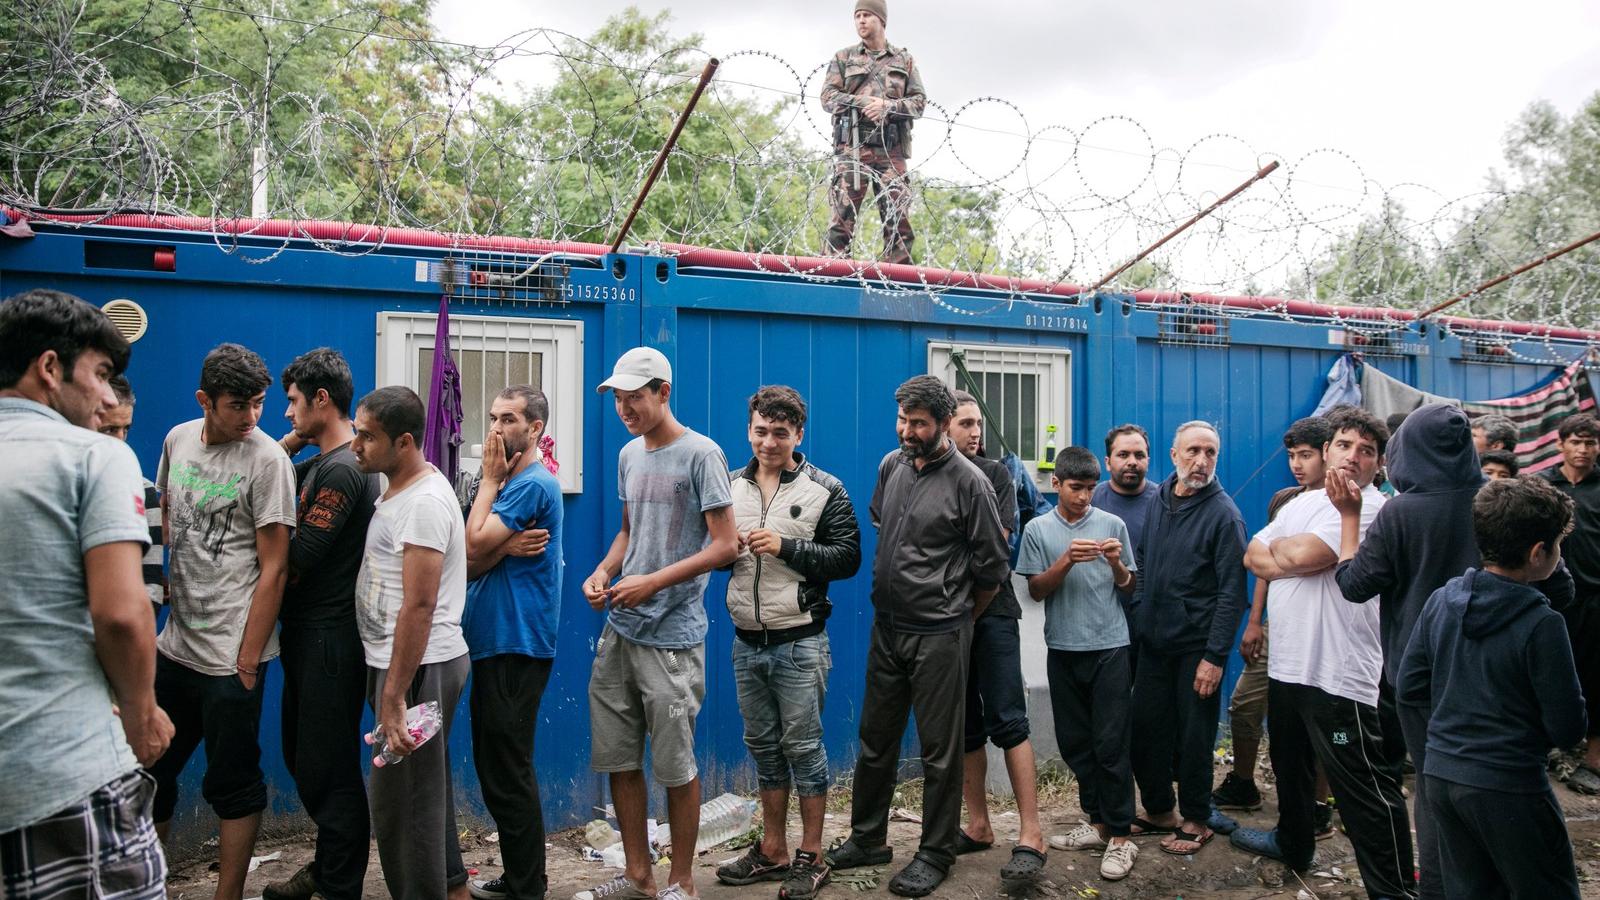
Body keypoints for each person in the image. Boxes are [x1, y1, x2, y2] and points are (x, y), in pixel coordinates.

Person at [1335, 402, 1574, 900]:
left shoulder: (1401, 514)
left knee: (1438, 795)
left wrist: (1350, 523)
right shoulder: (1500, 502)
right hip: (1508, 680)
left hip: (1422, 681)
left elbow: (1355, 585)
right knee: (1513, 806)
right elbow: (1562, 590)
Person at [0, 289, 174, 900]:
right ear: (49, 369)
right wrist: (141, 715)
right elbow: (122, 614)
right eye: (100, 375)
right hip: (64, 778)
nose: (108, 398)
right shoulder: (95, 458)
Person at [826, 375, 1009, 898]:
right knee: (876, 740)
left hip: (940, 636)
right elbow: (886, 524)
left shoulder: (971, 483)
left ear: (945, 423)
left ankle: (935, 853)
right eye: (903, 420)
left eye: (918, 423)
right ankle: (868, 840)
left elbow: (992, 571)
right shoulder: (892, 465)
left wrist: (957, 616)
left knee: (940, 752)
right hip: (888, 630)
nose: (907, 430)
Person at [1232, 409, 1417, 900]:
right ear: (1328, 449)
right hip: (1289, 664)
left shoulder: (1374, 510)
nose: (1352, 457)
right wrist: (1287, 556)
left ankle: (1394, 888)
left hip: (1338, 674)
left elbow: (1298, 557)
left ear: (1379, 464)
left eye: (1366, 451)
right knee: (1290, 765)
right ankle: (1293, 845)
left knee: (1363, 787)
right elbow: (1254, 554)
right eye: (1343, 445)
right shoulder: (1301, 502)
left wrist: (1286, 557)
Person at [578, 347, 738, 900]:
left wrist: (655, 582)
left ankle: (682, 881)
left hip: (673, 634)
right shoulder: (628, 455)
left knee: (675, 764)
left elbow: (725, 545)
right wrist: (602, 573)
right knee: (619, 758)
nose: (625, 408)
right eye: (618, 398)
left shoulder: (703, 455)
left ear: (663, 392)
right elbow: (628, 532)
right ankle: (639, 874)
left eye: (635, 397)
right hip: (621, 629)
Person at [149, 342, 296, 900]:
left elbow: (276, 566)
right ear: (204, 401)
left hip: (233, 653)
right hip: (174, 645)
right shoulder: (177, 439)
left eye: (259, 403)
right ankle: (151, 883)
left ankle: (227, 894)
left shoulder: (267, 460)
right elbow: (165, 519)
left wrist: (247, 659)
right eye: (239, 405)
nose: (252, 417)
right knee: (152, 771)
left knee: (232, 782)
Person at [1398, 476, 1585, 900]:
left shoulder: (1442, 600)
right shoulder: (1543, 623)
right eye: (1557, 546)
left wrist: (1450, 737)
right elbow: (1567, 727)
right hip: (1512, 786)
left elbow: (1409, 685)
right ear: (1539, 554)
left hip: (1443, 779)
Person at [715, 386, 861, 900]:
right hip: (745, 641)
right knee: (764, 750)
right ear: (749, 430)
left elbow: (847, 559)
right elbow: (709, 551)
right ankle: (773, 849)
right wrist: (723, 551)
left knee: (803, 749)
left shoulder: (827, 489)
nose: (769, 442)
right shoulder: (729, 485)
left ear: (799, 434)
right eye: (760, 431)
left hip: (800, 642)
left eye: (781, 433)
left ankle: (812, 855)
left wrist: (787, 546)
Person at [262, 349, 378, 900]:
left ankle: (338, 884)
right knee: (304, 759)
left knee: (325, 770)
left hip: (331, 638)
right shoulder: (327, 460)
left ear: (321, 399)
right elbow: (277, 469)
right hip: (310, 637)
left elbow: (300, 556)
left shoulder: (345, 467)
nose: (286, 413)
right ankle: (331, 867)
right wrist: (290, 443)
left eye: (292, 402)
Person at [351, 386, 471, 900]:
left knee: (404, 809)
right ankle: (450, 887)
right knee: (421, 795)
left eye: (366, 436)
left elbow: (420, 606)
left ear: (404, 442)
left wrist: (394, 696)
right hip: (405, 663)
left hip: (419, 667)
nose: (355, 444)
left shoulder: (422, 502)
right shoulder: (400, 490)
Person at [1018, 447, 1140, 881]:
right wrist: (1067, 559)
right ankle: (1100, 821)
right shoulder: (1038, 529)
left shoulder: (1113, 525)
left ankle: (1122, 837)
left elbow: (1128, 587)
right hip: (1064, 647)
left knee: (1111, 744)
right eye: (1076, 488)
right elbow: (1035, 592)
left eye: (1090, 488)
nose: (1085, 496)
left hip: (1110, 647)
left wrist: (1115, 563)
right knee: (1075, 742)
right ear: (1057, 485)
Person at [461, 386, 564, 900]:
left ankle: (528, 888)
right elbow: (468, 562)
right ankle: (521, 877)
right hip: (491, 642)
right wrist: (500, 551)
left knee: (509, 770)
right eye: (494, 417)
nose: (496, 428)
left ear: (535, 429)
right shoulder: (510, 487)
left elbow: (473, 544)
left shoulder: (528, 486)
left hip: (516, 643)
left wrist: (486, 482)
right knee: (495, 767)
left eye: (508, 419)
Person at [1126, 421, 1247, 855]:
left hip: (1197, 647)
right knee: (1145, 731)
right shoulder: (1160, 498)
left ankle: (1196, 817)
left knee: (1195, 737)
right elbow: (1142, 558)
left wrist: (1215, 657)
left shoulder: (1224, 515)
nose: (1202, 460)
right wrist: (1140, 609)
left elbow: (1233, 592)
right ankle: (1159, 810)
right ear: (1174, 455)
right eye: (1193, 451)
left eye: (1210, 452)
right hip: (1155, 643)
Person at [1215, 416, 1337, 841]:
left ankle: (1319, 806)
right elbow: (1260, 562)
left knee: (1318, 725)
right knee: (1245, 705)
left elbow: (1304, 559)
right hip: (1275, 627)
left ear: (1328, 453)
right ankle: (1244, 784)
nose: (1297, 464)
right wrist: (1254, 622)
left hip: (1321, 632)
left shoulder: (1341, 504)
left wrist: (1285, 555)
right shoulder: (1286, 501)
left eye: (1305, 455)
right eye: (1292, 456)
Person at [944, 391, 1047, 883]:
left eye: (977, 424)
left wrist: (968, 608)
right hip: (945, 619)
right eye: (965, 424)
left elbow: (997, 548)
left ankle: (1031, 834)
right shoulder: (925, 474)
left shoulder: (997, 474)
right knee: (966, 725)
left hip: (992, 612)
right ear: (945, 428)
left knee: (1010, 718)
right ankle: (979, 825)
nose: (976, 432)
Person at [819, 0, 925, 265]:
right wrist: (863, 103)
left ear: (881, 20)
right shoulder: (844, 58)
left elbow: (919, 102)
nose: (861, 21)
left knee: (898, 221)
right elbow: (827, 98)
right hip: (852, 147)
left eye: (867, 15)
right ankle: (833, 273)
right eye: (857, 16)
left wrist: (888, 107)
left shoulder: (904, 59)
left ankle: (899, 283)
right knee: (841, 220)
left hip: (890, 150)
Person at [1542, 413, 1600, 794]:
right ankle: (1549, 745)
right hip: (1552, 598)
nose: (1582, 450)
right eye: (1575, 442)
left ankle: (1593, 757)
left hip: (1596, 600)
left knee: (1596, 676)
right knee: (1552, 672)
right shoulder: (1545, 485)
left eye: (1590, 443)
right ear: (1561, 443)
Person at [1090, 424, 1160, 677]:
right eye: (1123, 455)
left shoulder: (1164, 502)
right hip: (1101, 625)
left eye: (1139, 455)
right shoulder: (1091, 500)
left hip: (1150, 625)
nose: (1132, 462)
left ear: (1148, 461)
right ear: (1108, 462)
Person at [102, 374, 167, 609]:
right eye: (108, 430)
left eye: (125, 429)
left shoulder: (142, 489)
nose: (120, 441)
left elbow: (151, 585)